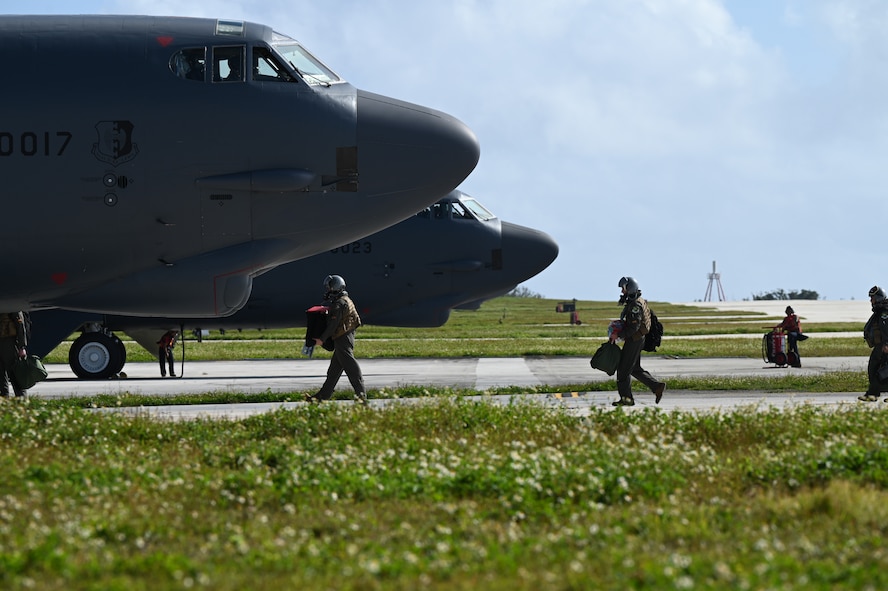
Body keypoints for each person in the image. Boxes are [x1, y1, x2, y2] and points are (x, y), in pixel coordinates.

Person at [305, 275, 367, 405]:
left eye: (329, 288)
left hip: (342, 338)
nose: (327, 291)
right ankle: (321, 397)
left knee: (351, 369)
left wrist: (322, 339)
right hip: (342, 337)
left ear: (334, 288)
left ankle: (362, 399)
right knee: (333, 371)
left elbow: (333, 325)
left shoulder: (340, 304)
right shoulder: (344, 300)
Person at [608, 277, 666, 407]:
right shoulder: (637, 301)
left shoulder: (635, 305)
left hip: (634, 340)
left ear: (630, 288)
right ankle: (656, 387)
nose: (622, 292)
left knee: (623, 371)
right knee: (634, 368)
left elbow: (634, 328)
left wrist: (619, 335)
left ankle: (627, 399)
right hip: (637, 339)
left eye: (623, 289)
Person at [859, 286, 888, 402]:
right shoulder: (880, 311)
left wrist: (886, 344)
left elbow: (886, 329)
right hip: (881, 345)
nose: (871, 301)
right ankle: (872, 393)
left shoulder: (885, 312)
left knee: (879, 371)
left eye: (873, 298)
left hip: (884, 346)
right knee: (876, 369)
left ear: (879, 298)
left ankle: (872, 394)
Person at [0, 312, 28, 397]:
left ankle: (21, 401)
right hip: (4, 342)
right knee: (1, 377)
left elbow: (20, 325)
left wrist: (22, 346)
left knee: (15, 374)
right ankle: (4, 402)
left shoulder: (12, 307)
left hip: (9, 342)